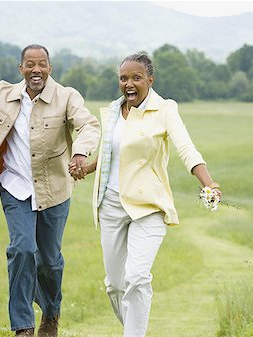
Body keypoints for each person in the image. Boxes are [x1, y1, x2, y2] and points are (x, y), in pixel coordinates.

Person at [0, 44, 100, 337]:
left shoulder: (66, 96)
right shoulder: (2, 95)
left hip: (54, 190)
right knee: (22, 250)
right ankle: (23, 326)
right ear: (21, 69)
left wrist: (80, 153)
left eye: (41, 64)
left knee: (49, 261)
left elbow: (88, 125)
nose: (35, 70)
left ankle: (51, 314)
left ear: (50, 68)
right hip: (15, 187)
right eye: (29, 64)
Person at [69, 53, 222, 337]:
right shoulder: (114, 110)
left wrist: (208, 184)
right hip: (111, 205)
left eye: (136, 78)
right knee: (115, 285)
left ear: (150, 80)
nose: (129, 84)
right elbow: (113, 154)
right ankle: (133, 329)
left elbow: (186, 149)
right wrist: (86, 168)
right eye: (123, 78)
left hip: (148, 206)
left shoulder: (165, 109)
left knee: (137, 277)